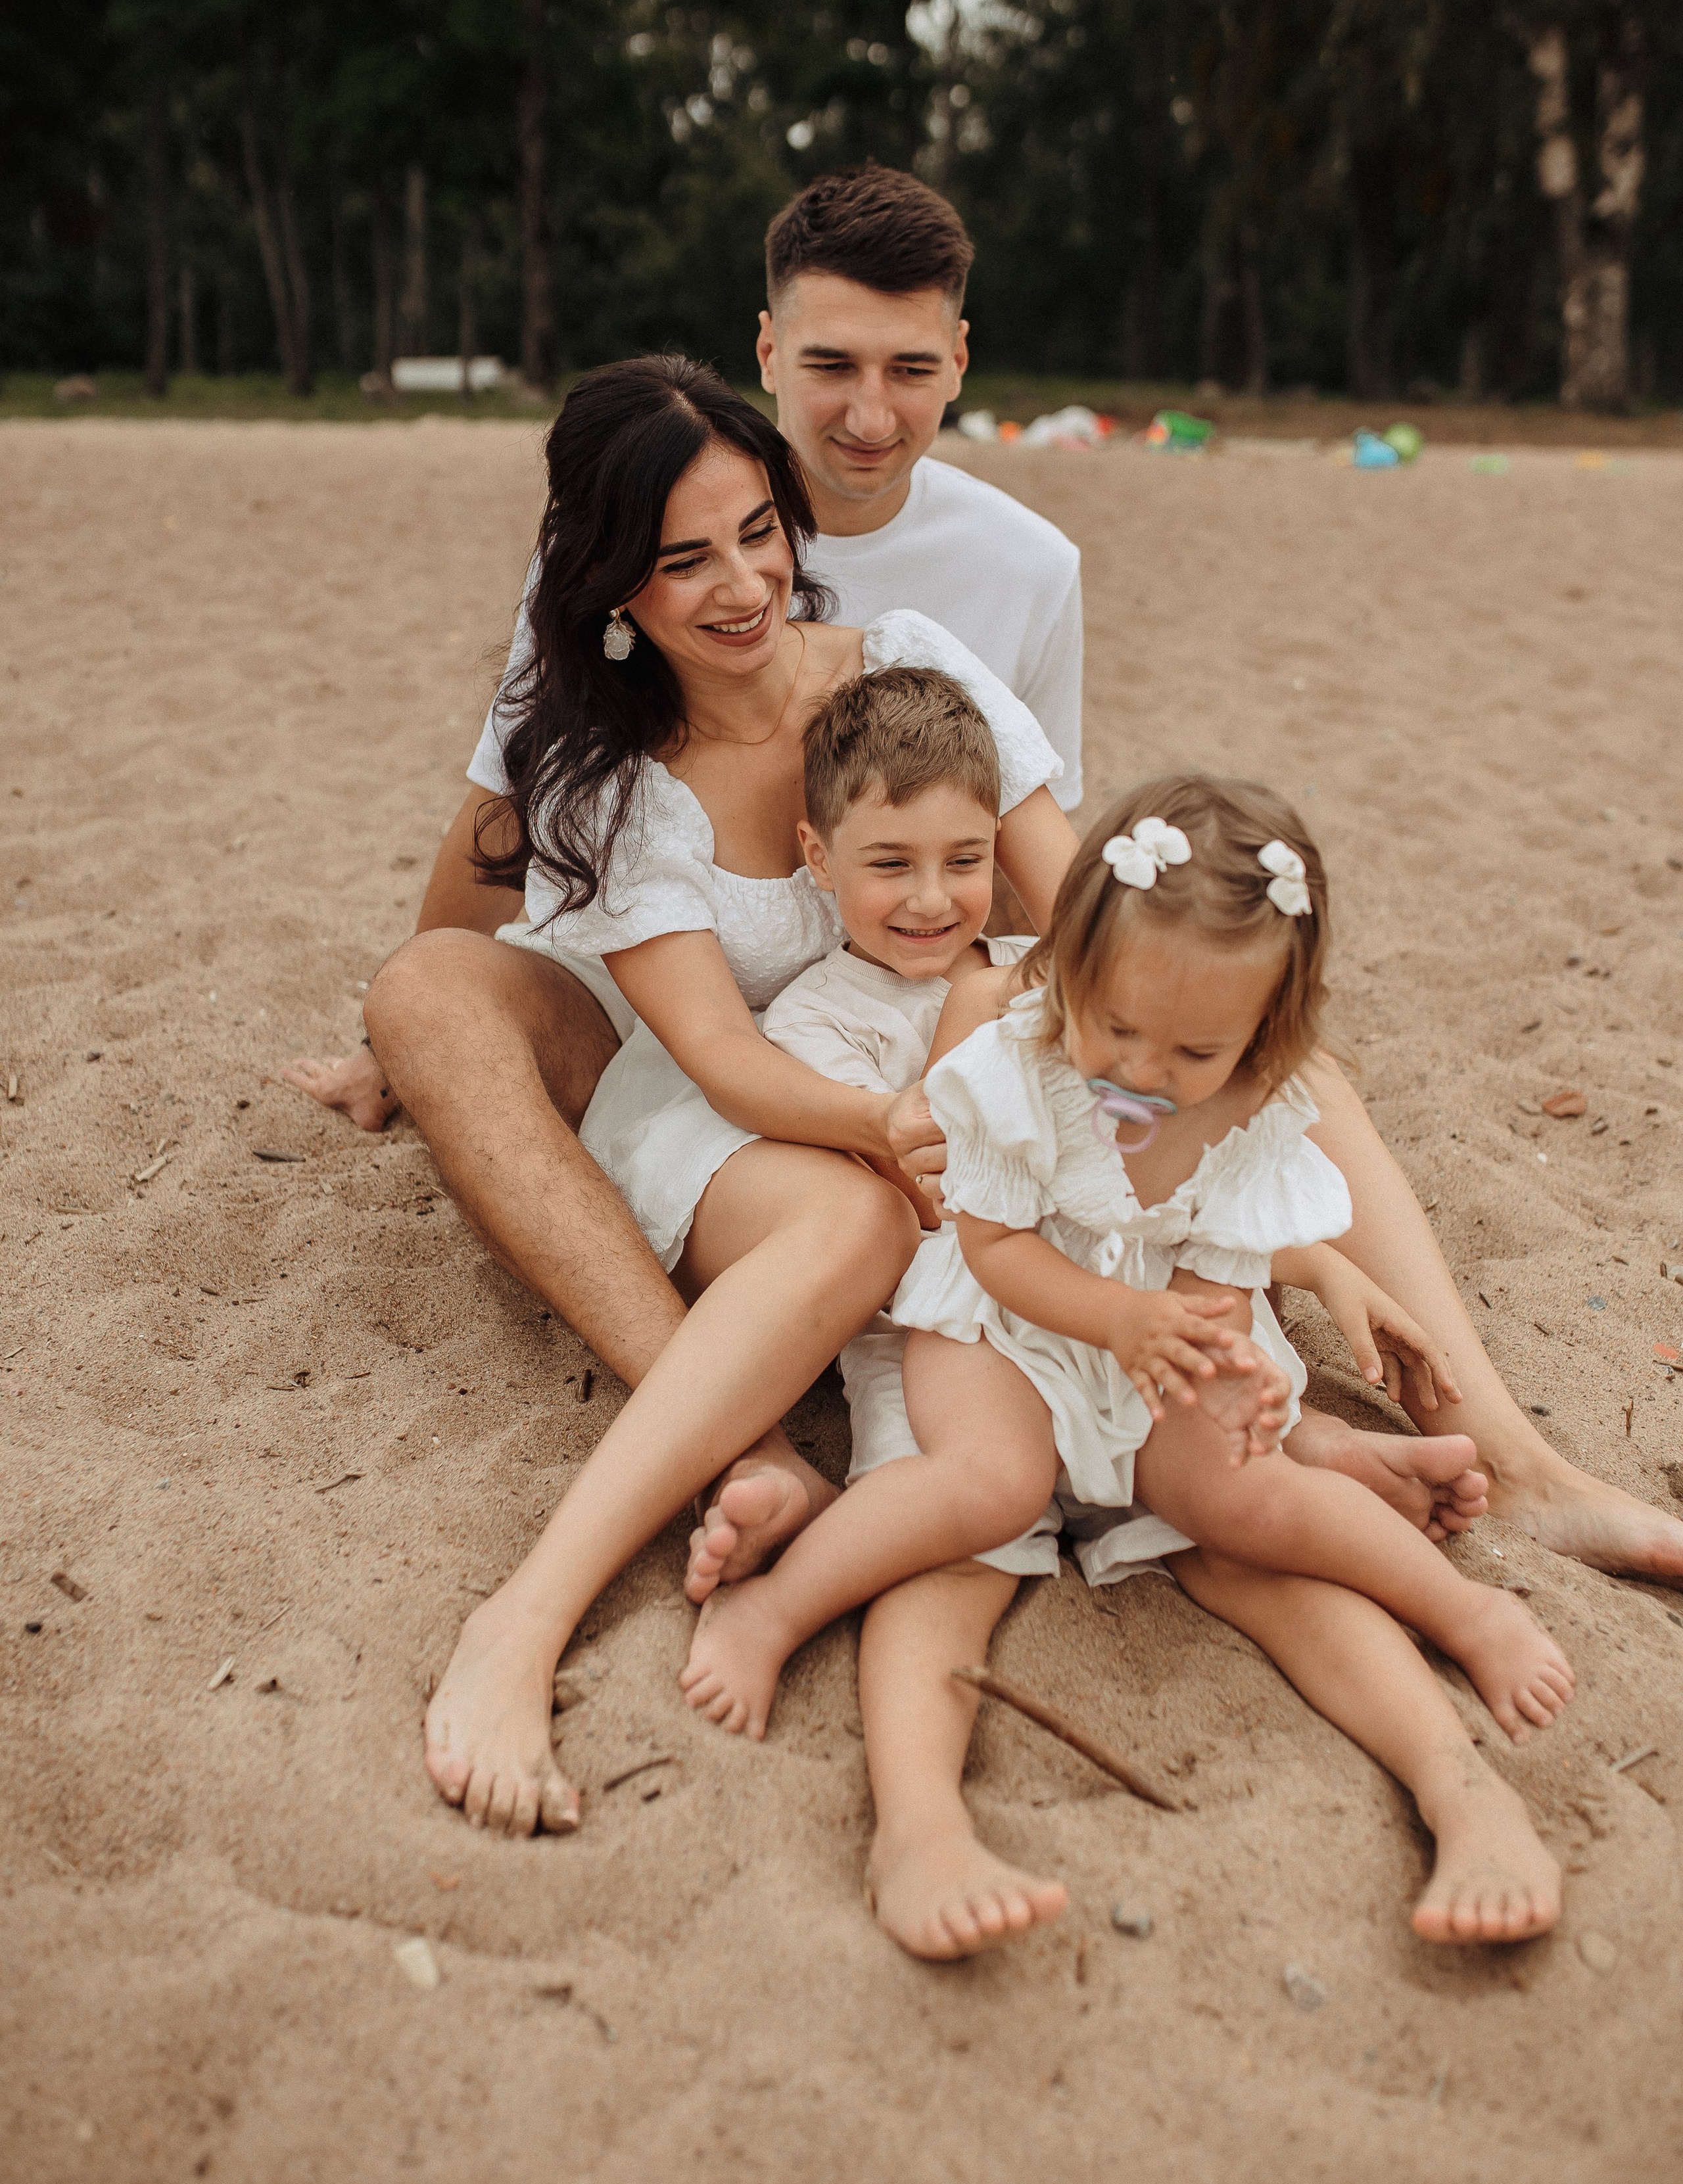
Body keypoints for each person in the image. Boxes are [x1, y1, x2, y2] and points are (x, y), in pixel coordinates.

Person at [283, 163, 1683, 1589]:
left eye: (905, 368)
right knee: (428, 991)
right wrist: (409, 1048)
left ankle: (1498, 1451)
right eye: (827, 365)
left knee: (1285, 1066)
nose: (865, 413)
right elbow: (492, 845)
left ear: (960, 359)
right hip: (673, 1026)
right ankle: (731, 1430)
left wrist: (1035, 1029)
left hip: (908, 985)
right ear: (765, 356)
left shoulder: (1001, 578)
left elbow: (1055, 889)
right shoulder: (634, 552)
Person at [687, 747, 1569, 1953]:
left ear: (1266, 1037)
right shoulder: (1015, 1061)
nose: (1146, 1075)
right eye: (1121, 1030)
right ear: (1071, 972)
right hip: (991, 1326)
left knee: (1244, 1503)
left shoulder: (1261, 1105)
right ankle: (880, 1766)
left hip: (1146, 1332)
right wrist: (1122, 1326)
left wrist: (1231, 1361)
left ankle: (1462, 1716)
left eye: (1194, 1055)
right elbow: (987, 1248)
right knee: (973, 1508)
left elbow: (1219, 1269)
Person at [411, 352, 1079, 1835]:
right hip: (730, 1103)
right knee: (851, 1223)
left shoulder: (898, 666)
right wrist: (892, 1130)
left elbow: (1072, 905)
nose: (737, 584)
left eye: (755, 533)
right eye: (680, 559)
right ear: (608, 588)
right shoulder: (609, 770)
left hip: (897, 1056)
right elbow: (713, 1057)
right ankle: (525, 1613)